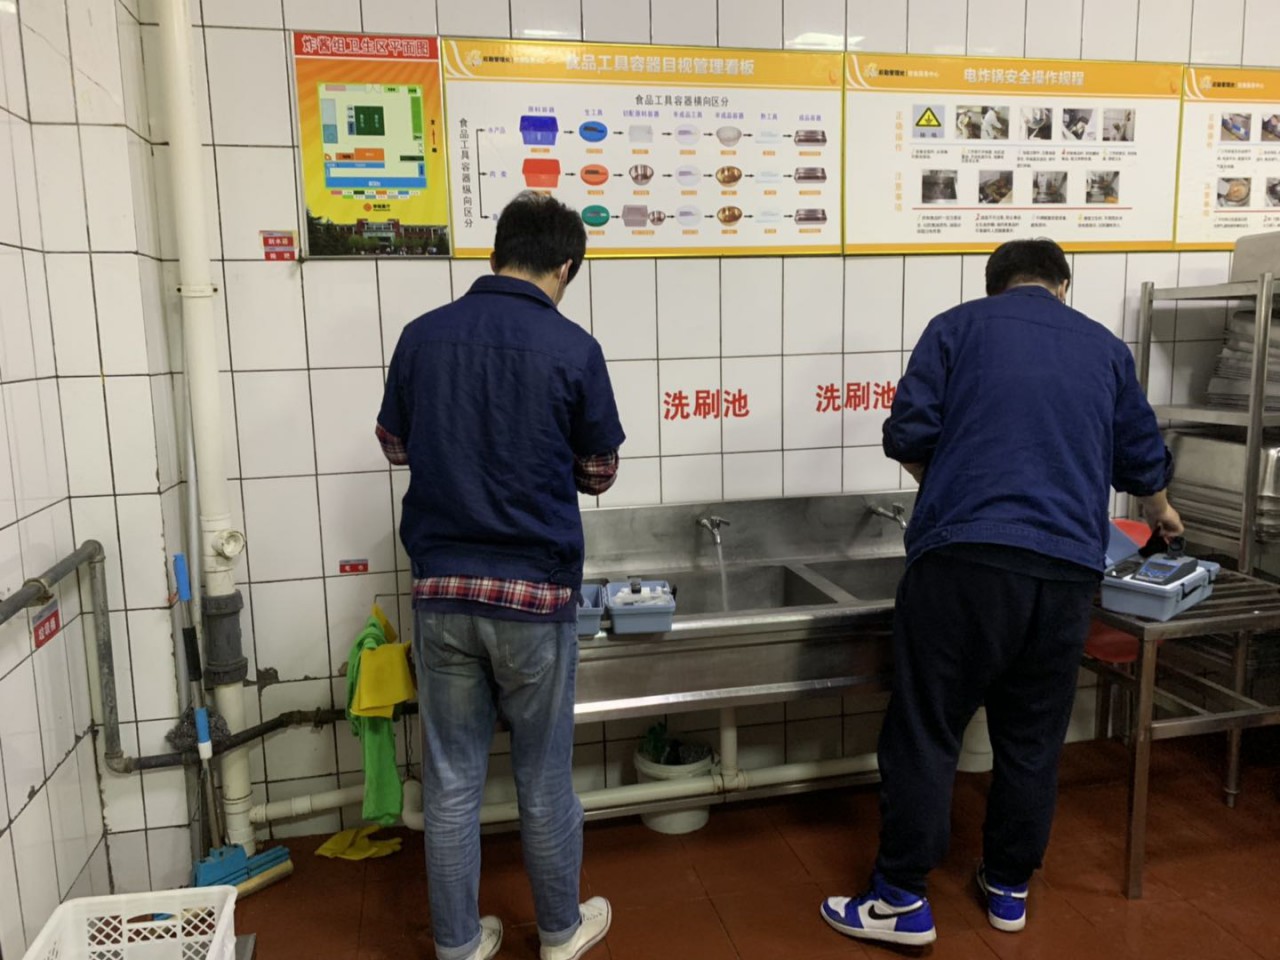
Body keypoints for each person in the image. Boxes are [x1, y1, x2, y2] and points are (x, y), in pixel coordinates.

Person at [821, 238, 1182, 948]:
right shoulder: (1105, 349)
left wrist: (955, 486)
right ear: (1062, 285)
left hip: (963, 564)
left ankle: (900, 900)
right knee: (1032, 737)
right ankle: (1010, 886)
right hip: (1066, 573)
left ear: (995, 286)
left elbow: (908, 434)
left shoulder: (956, 328)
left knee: (928, 727)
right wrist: (1163, 512)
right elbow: (1142, 462)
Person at [376, 192, 625, 960]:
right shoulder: (573, 348)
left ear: (494, 254)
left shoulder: (422, 336)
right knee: (543, 777)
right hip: (533, 596)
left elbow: (394, 445)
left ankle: (458, 944)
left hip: (443, 592)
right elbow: (599, 471)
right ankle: (558, 932)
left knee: (451, 779)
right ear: (567, 267)